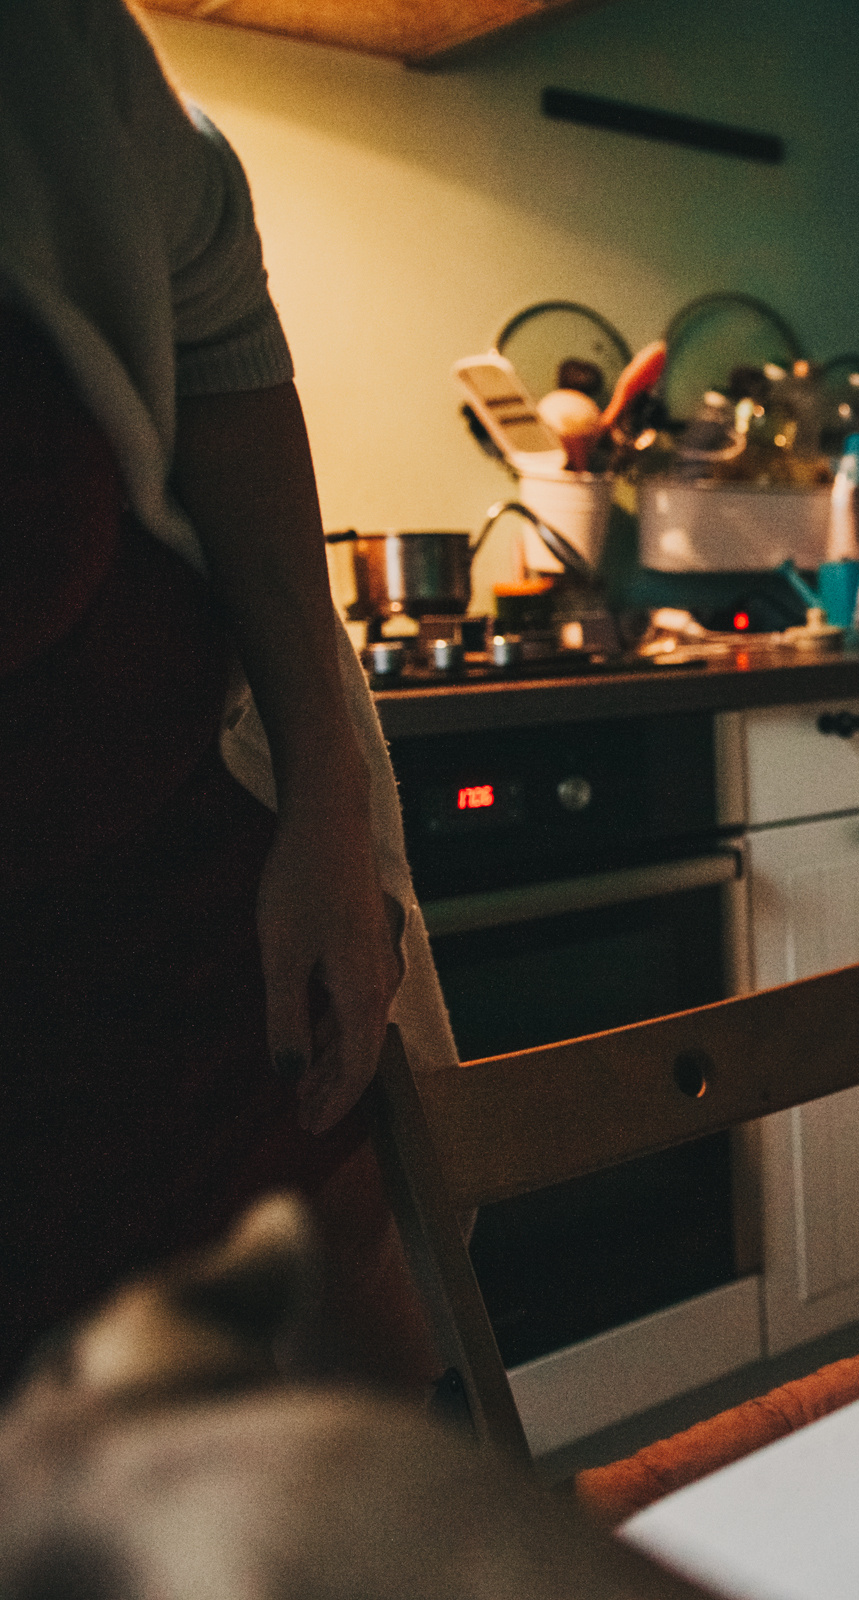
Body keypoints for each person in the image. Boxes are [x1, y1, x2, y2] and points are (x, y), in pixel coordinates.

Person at [0, 0, 454, 1383]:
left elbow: (229, 347)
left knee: (345, 1358)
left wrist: (325, 810)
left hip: (181, 906)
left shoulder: (51, 61)